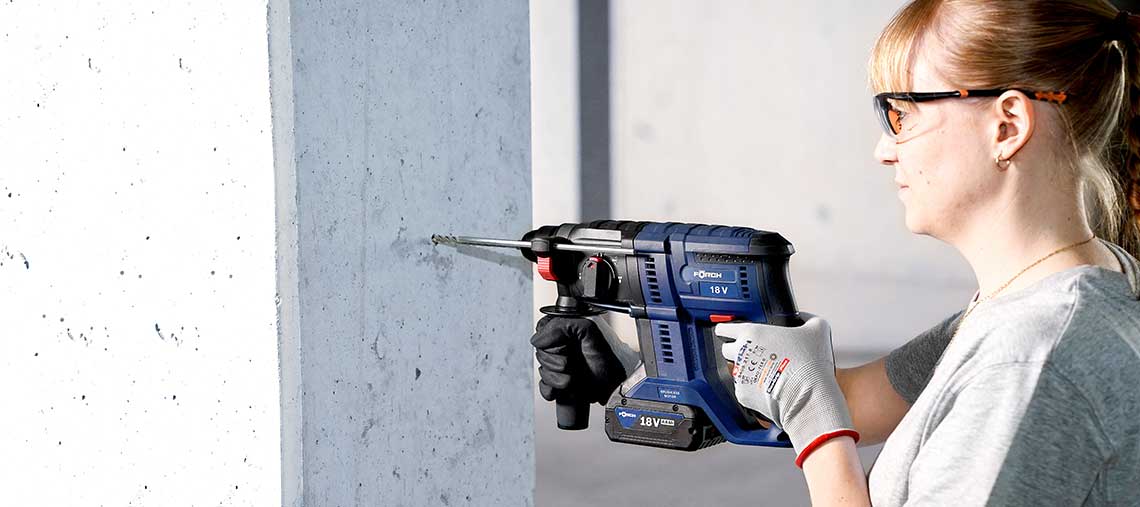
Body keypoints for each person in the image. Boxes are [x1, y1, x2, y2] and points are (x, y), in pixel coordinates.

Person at [530, 1, 1140, 505]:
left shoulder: (1029, 362)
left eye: (901, 114)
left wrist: (820, 440)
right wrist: (646, 357)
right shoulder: (1053, 294)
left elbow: (821, 414)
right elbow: (847, 399)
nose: (883, 149)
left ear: (1006, 126)